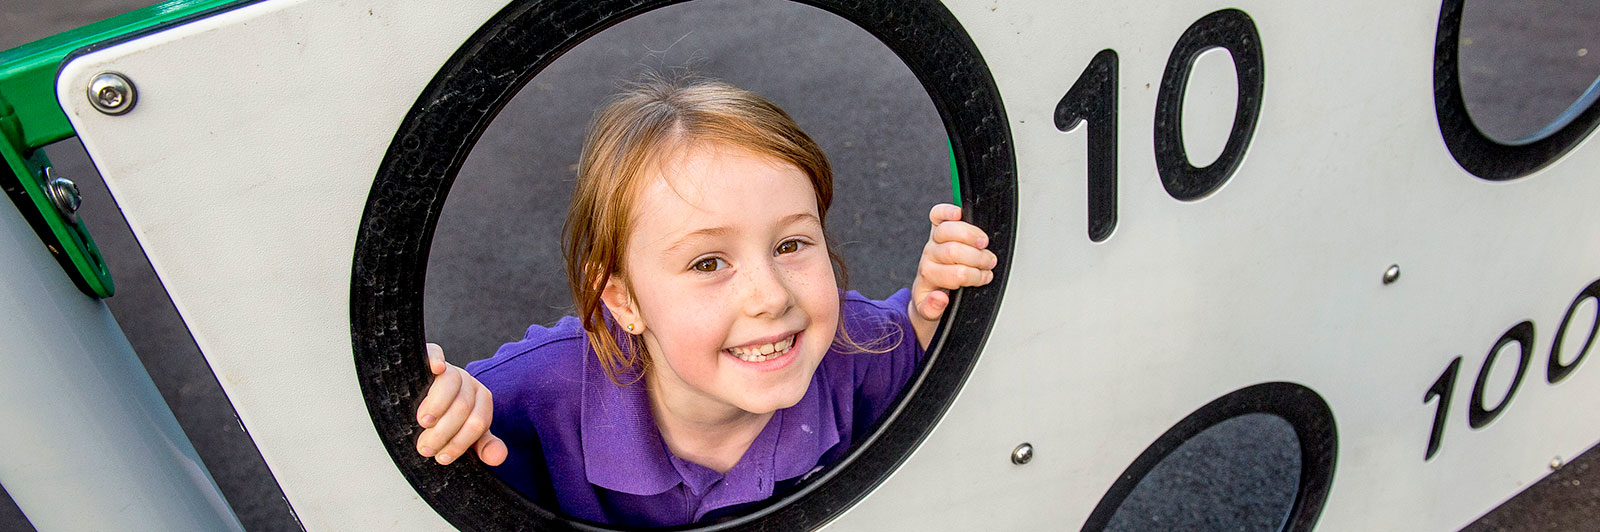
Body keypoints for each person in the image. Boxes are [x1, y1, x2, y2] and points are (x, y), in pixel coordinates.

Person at [412, 75, 996, 526]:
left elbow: (918, 355)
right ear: (620, 299)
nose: (769, 297)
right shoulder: (537, 397)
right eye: (708, 263)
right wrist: (443, 406)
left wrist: (931, 307)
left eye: (791, 243)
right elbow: (420, 455)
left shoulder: (850, 349)